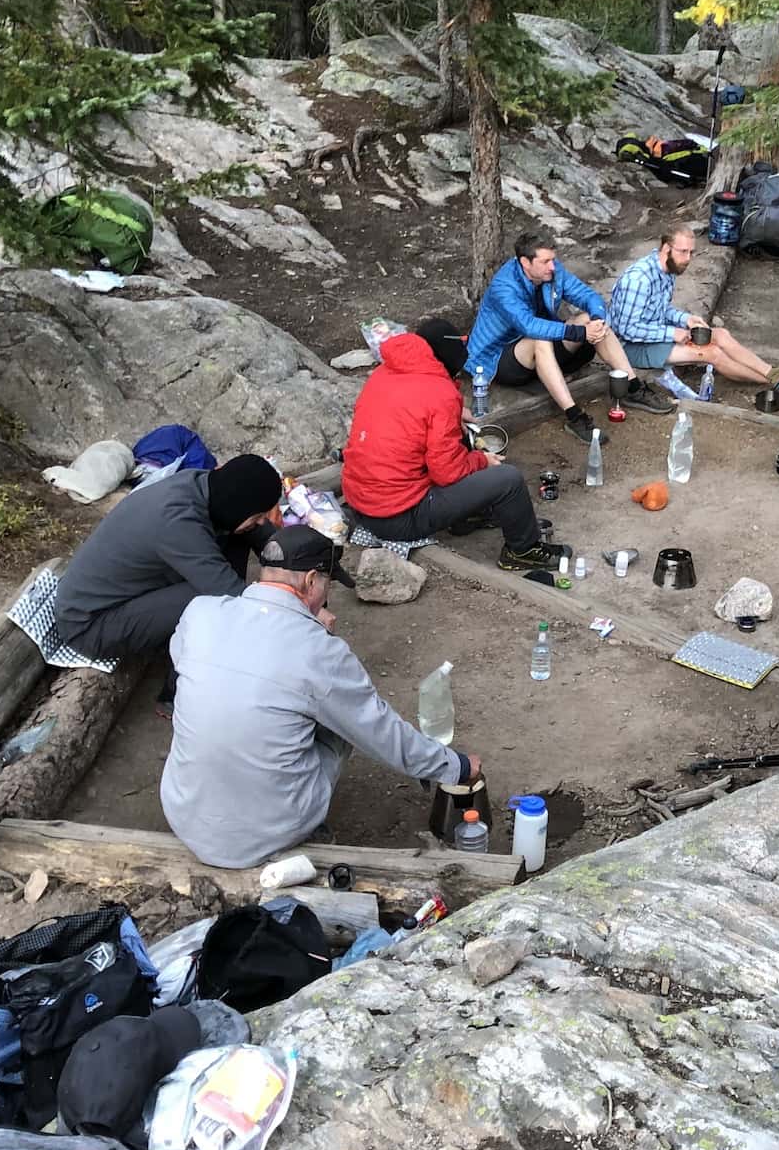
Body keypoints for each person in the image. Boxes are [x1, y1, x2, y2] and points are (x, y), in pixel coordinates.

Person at [160, 523, 483, 869]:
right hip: (268, 831)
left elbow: (195, 662)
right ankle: (308, 831)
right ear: (311, 581)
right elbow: (380, 733)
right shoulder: (319, 652)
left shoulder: (202, 612)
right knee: (339, 722)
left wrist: (304, 624)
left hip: (185, 812)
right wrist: (456, 767)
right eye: (327, 584)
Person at [342, 318, 565, 572]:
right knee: (508, 479)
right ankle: (523, 550)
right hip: (398, 518)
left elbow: (411, 413)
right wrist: (482, 460)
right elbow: (446, 472)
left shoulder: (385, 373)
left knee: (454, 443)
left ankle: (467, 516)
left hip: (361, 503)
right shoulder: (440, 393)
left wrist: (454, 413)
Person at [55, 453, 284, 660]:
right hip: (91, 626)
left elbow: (260, 532)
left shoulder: (201, 485)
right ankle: (174, 691)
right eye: (258, 515)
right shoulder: (178, 521)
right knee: (209, 599)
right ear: (237, 506)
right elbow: (230, 593)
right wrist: (291, 615)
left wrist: (295, 556)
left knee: (238, 534)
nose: (262, 521)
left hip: (121, 595)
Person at [464, 229, 672, 442]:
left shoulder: (552, 271)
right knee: (540, 340)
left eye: (553, 260)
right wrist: (579, 332)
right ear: (525, 262)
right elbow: (529, 326)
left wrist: (597, 318)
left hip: (541, 349)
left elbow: (588, 295)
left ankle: (632, 387)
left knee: (588, 319)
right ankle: (575, 417)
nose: (552, 267)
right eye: (545, 262)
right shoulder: (504, 286)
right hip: (498, 359)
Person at [606, 223, 779, 387]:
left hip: (651, 337)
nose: (688, 259)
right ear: (666, 248)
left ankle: (774, 372)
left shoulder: (666, 269)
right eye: (683, 252)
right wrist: (671, 334)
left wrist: (685, 319)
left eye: (691, 252)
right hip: (629, 348)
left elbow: (658, 309)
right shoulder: (639, 280)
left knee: (721, 334)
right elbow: (627, 329)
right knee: (711, 353)